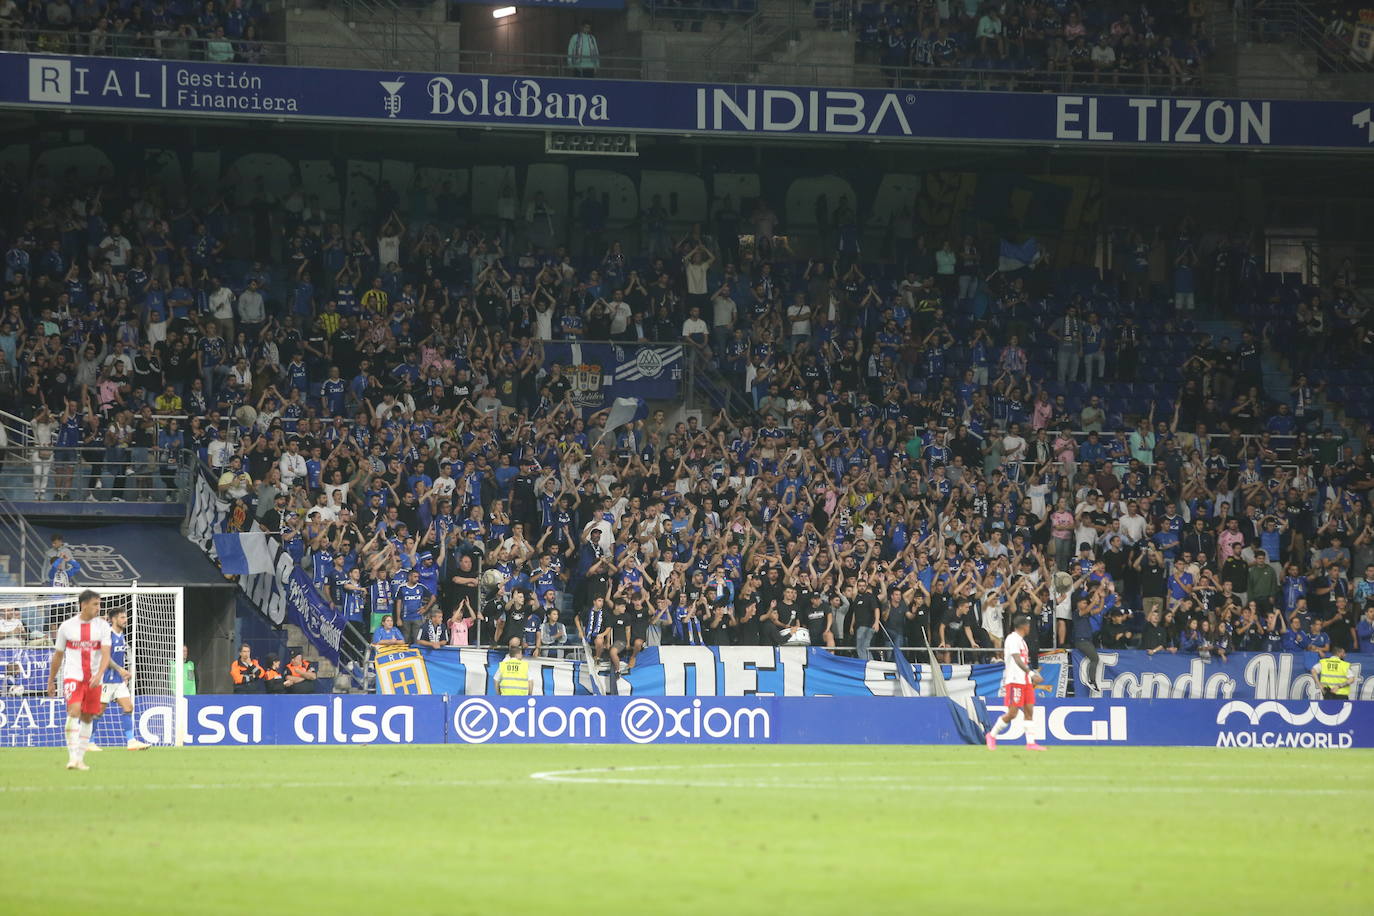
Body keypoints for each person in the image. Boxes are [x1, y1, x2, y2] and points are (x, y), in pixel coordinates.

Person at [46, 590, 112, 771]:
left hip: (94, 679)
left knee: (87, 717)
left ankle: (80, 759)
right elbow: (58, 656)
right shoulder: (66, 627)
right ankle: (72, 757)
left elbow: (106, 654)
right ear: (83, 604)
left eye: (99, 604)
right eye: (95, 604)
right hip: (73, 676)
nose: (99, 608)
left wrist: (99, 674)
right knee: (74, 711)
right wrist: (51, 680)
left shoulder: (103, 627)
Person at [985, 615, 1046, 750]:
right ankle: (991, 735)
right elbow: (1017, 659)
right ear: (1024, 626)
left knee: (1029, 710)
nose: (1029, 627)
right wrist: (1031, 673)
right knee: (1013, 713)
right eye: (1028, 625)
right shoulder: (1012, 639)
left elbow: (1023, 661)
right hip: (1014, 681)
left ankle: (1030, 743)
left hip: (1025, 682)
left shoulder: (1022, 641)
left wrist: (1030, 676)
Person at [93, 608, 150, 751]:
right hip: (106, 679)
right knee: (98, 712)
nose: (125, 620)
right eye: (122, 617)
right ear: (113, 619)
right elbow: (105, 657)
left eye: (125, 617)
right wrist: (120, 670)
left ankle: (131, 742)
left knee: (128, 707)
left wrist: (123, 674)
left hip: (118, 681)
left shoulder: (121, 635)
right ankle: (88, 741)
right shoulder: (108, 635)